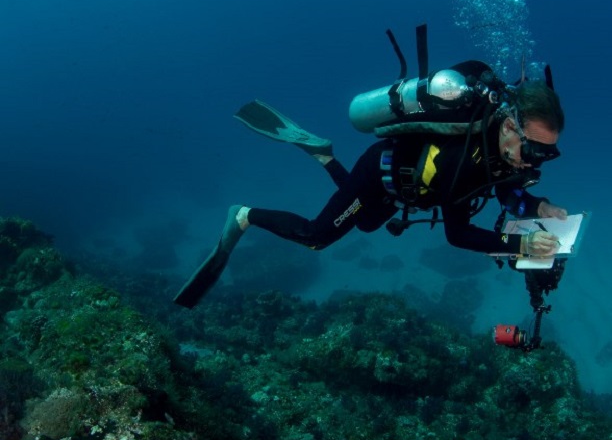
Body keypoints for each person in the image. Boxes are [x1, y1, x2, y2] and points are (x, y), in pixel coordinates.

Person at [174, 78, 567, 308]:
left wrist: (539, 204)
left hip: (403, 189)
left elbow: (506, 191)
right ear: (510, 127)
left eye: (549, 154)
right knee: (317, 237)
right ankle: (244, 215)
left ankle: (323, 155)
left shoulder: (504, 153)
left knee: (366, 223)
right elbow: (457, 234)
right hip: (379, 174)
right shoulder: (461, 161)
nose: (537, 163)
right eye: (534, 150)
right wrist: (521, 245)